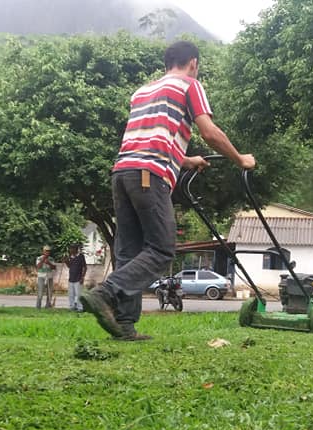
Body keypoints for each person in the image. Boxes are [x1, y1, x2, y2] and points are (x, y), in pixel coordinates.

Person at [80, 40, 256, 340]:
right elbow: (209, 132)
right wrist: (241, 158)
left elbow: (149, 137)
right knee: (162, 248)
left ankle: (123, 325)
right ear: (193, 63)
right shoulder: (190, 85)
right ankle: (106, 292)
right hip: (151, 174)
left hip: (123, 173)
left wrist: (185, 160)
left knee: (129, 252)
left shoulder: (143, 91)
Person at [64, 243, 87, 312]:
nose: (70, 250)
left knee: (78, 295)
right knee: (71, 295)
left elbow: (85, 267)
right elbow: (69, 266)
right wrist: (66, 261)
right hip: (71, 278)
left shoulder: (81, 256)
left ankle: (80, 308)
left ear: (76, 249)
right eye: (70, 248)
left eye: (72, 248)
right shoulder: (70, 257)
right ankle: (72, 307)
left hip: (78, 278)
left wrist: (82, 277)